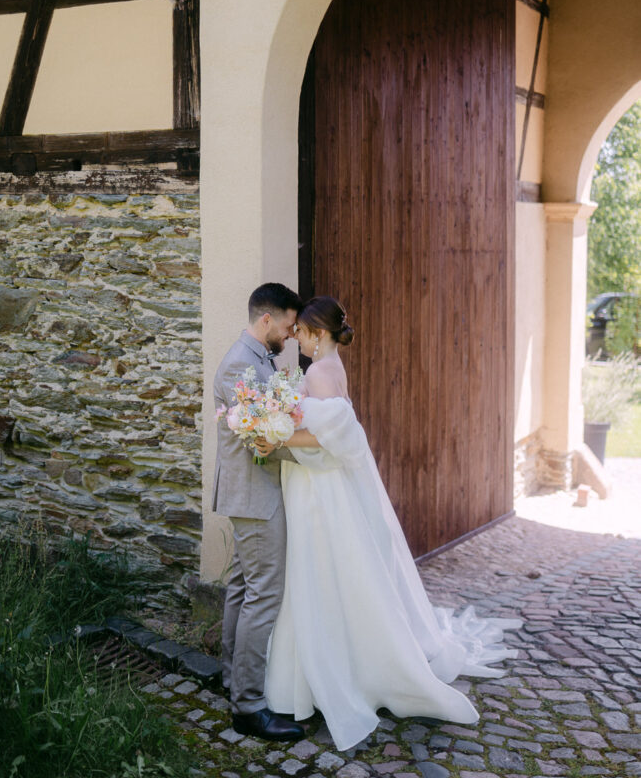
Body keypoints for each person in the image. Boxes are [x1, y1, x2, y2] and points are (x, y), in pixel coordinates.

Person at [260, 296, 522, 752]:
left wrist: (273, 434)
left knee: (323, 570)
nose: (295, 338)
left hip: (321, 490)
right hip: (320, 485)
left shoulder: (320, 372)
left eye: (301, 331)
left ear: (318, 334)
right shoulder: (329, 368)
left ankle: (345, 672)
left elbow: (329, 437)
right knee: (338, 571)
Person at [213, 282, 305, 741]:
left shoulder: (257, 361)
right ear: (266, 320)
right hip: (255, 497)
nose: (290, 336)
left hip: (255, 494)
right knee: (263, 595)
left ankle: (231, 677)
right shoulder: (238, 366)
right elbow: (263, 438)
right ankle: (248, 706)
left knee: (244, 587)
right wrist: (313, 452)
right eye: (288, 327)